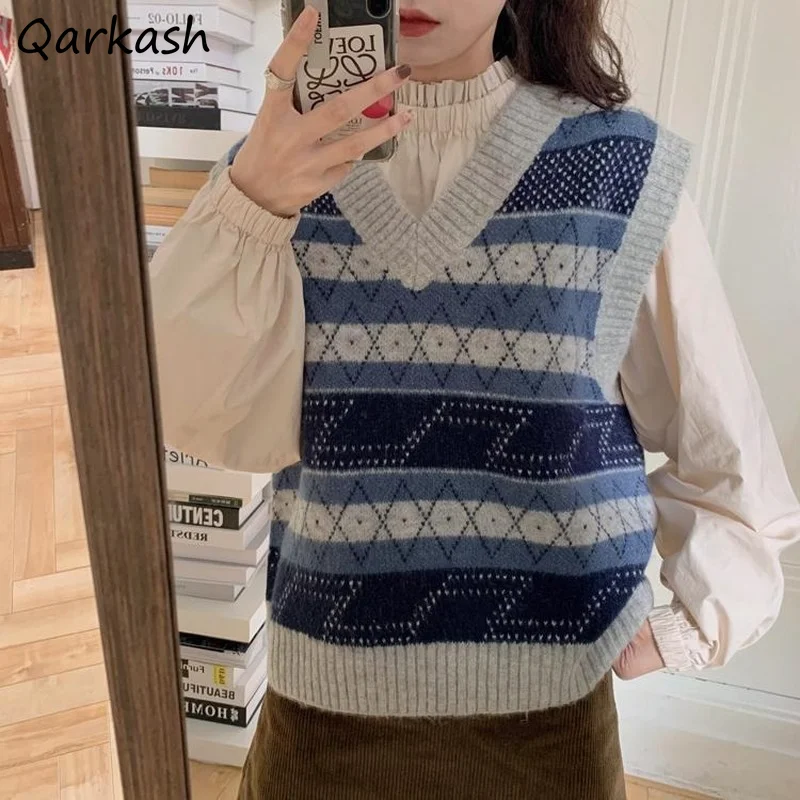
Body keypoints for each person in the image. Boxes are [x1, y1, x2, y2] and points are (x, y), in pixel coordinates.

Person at [149, 2, 800, 798]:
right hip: (322, 709)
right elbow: (194, 416)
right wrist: (253, 198)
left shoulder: (621, 166)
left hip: (549, 724)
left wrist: (691, 624)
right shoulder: (278, 169)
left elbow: (726, 446)